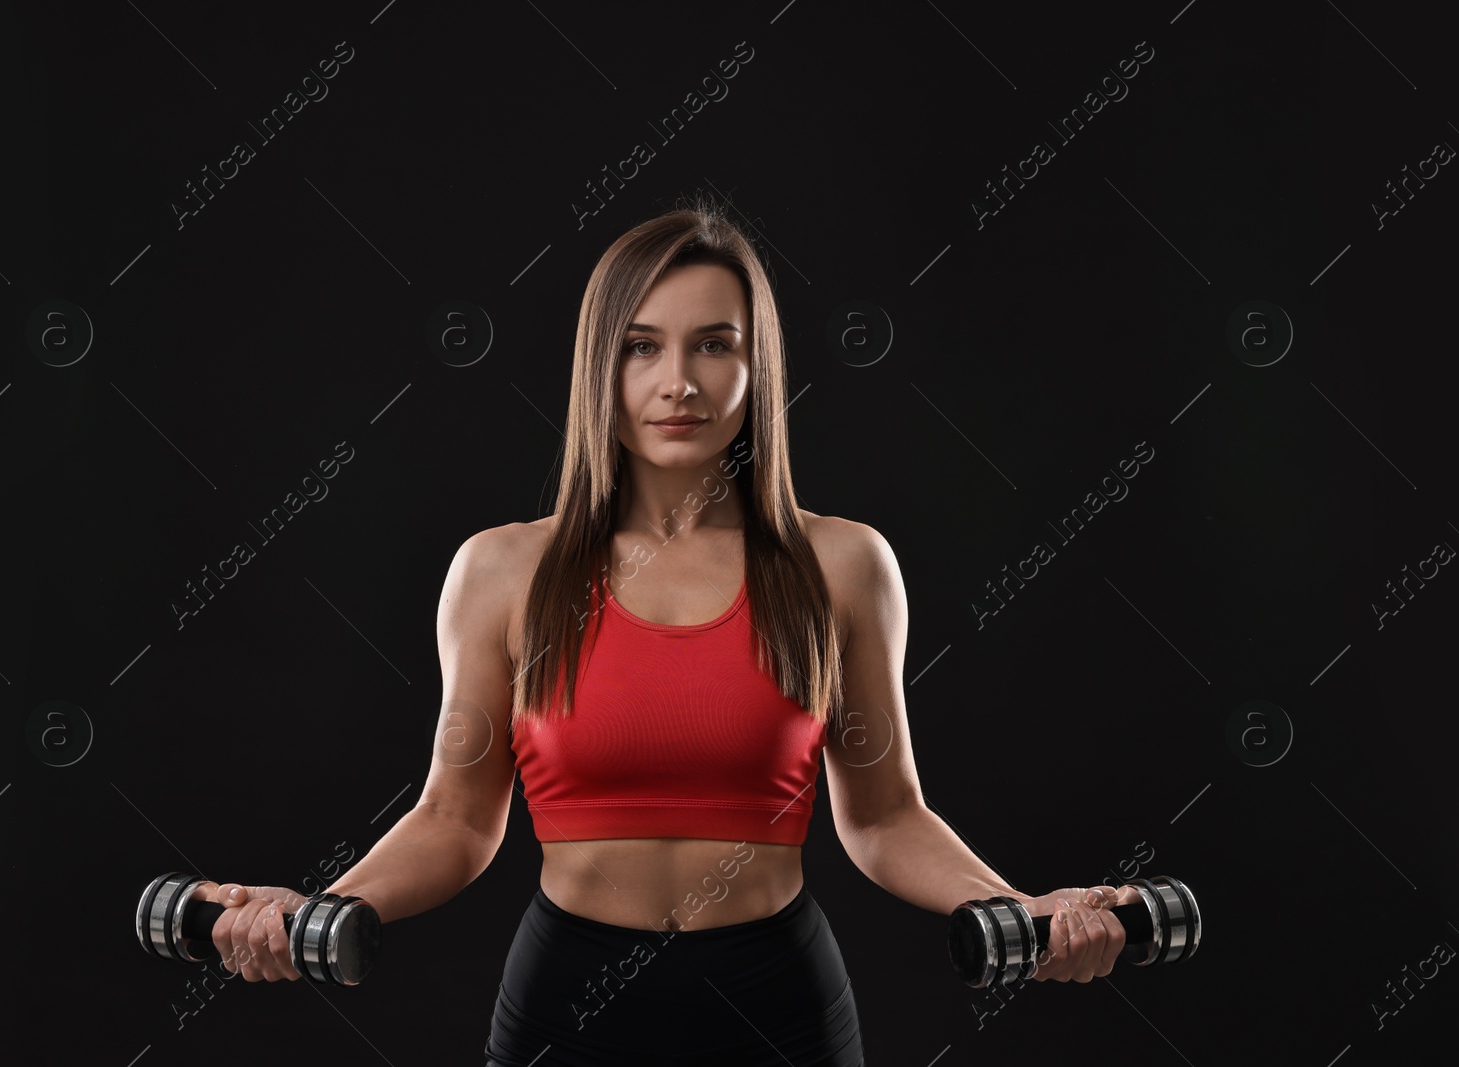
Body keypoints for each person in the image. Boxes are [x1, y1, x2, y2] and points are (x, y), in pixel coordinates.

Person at [190, 196, 1140, 1065]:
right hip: (568, 994)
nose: (678, 382)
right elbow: (457, 818)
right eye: (642, 346)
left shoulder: (844, 565)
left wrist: (1019, 907)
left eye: (713, 344)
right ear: (600, 363)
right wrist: (319, 907)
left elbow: (886, 815)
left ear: (755, 364)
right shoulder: (503, 569)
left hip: (779, 997)